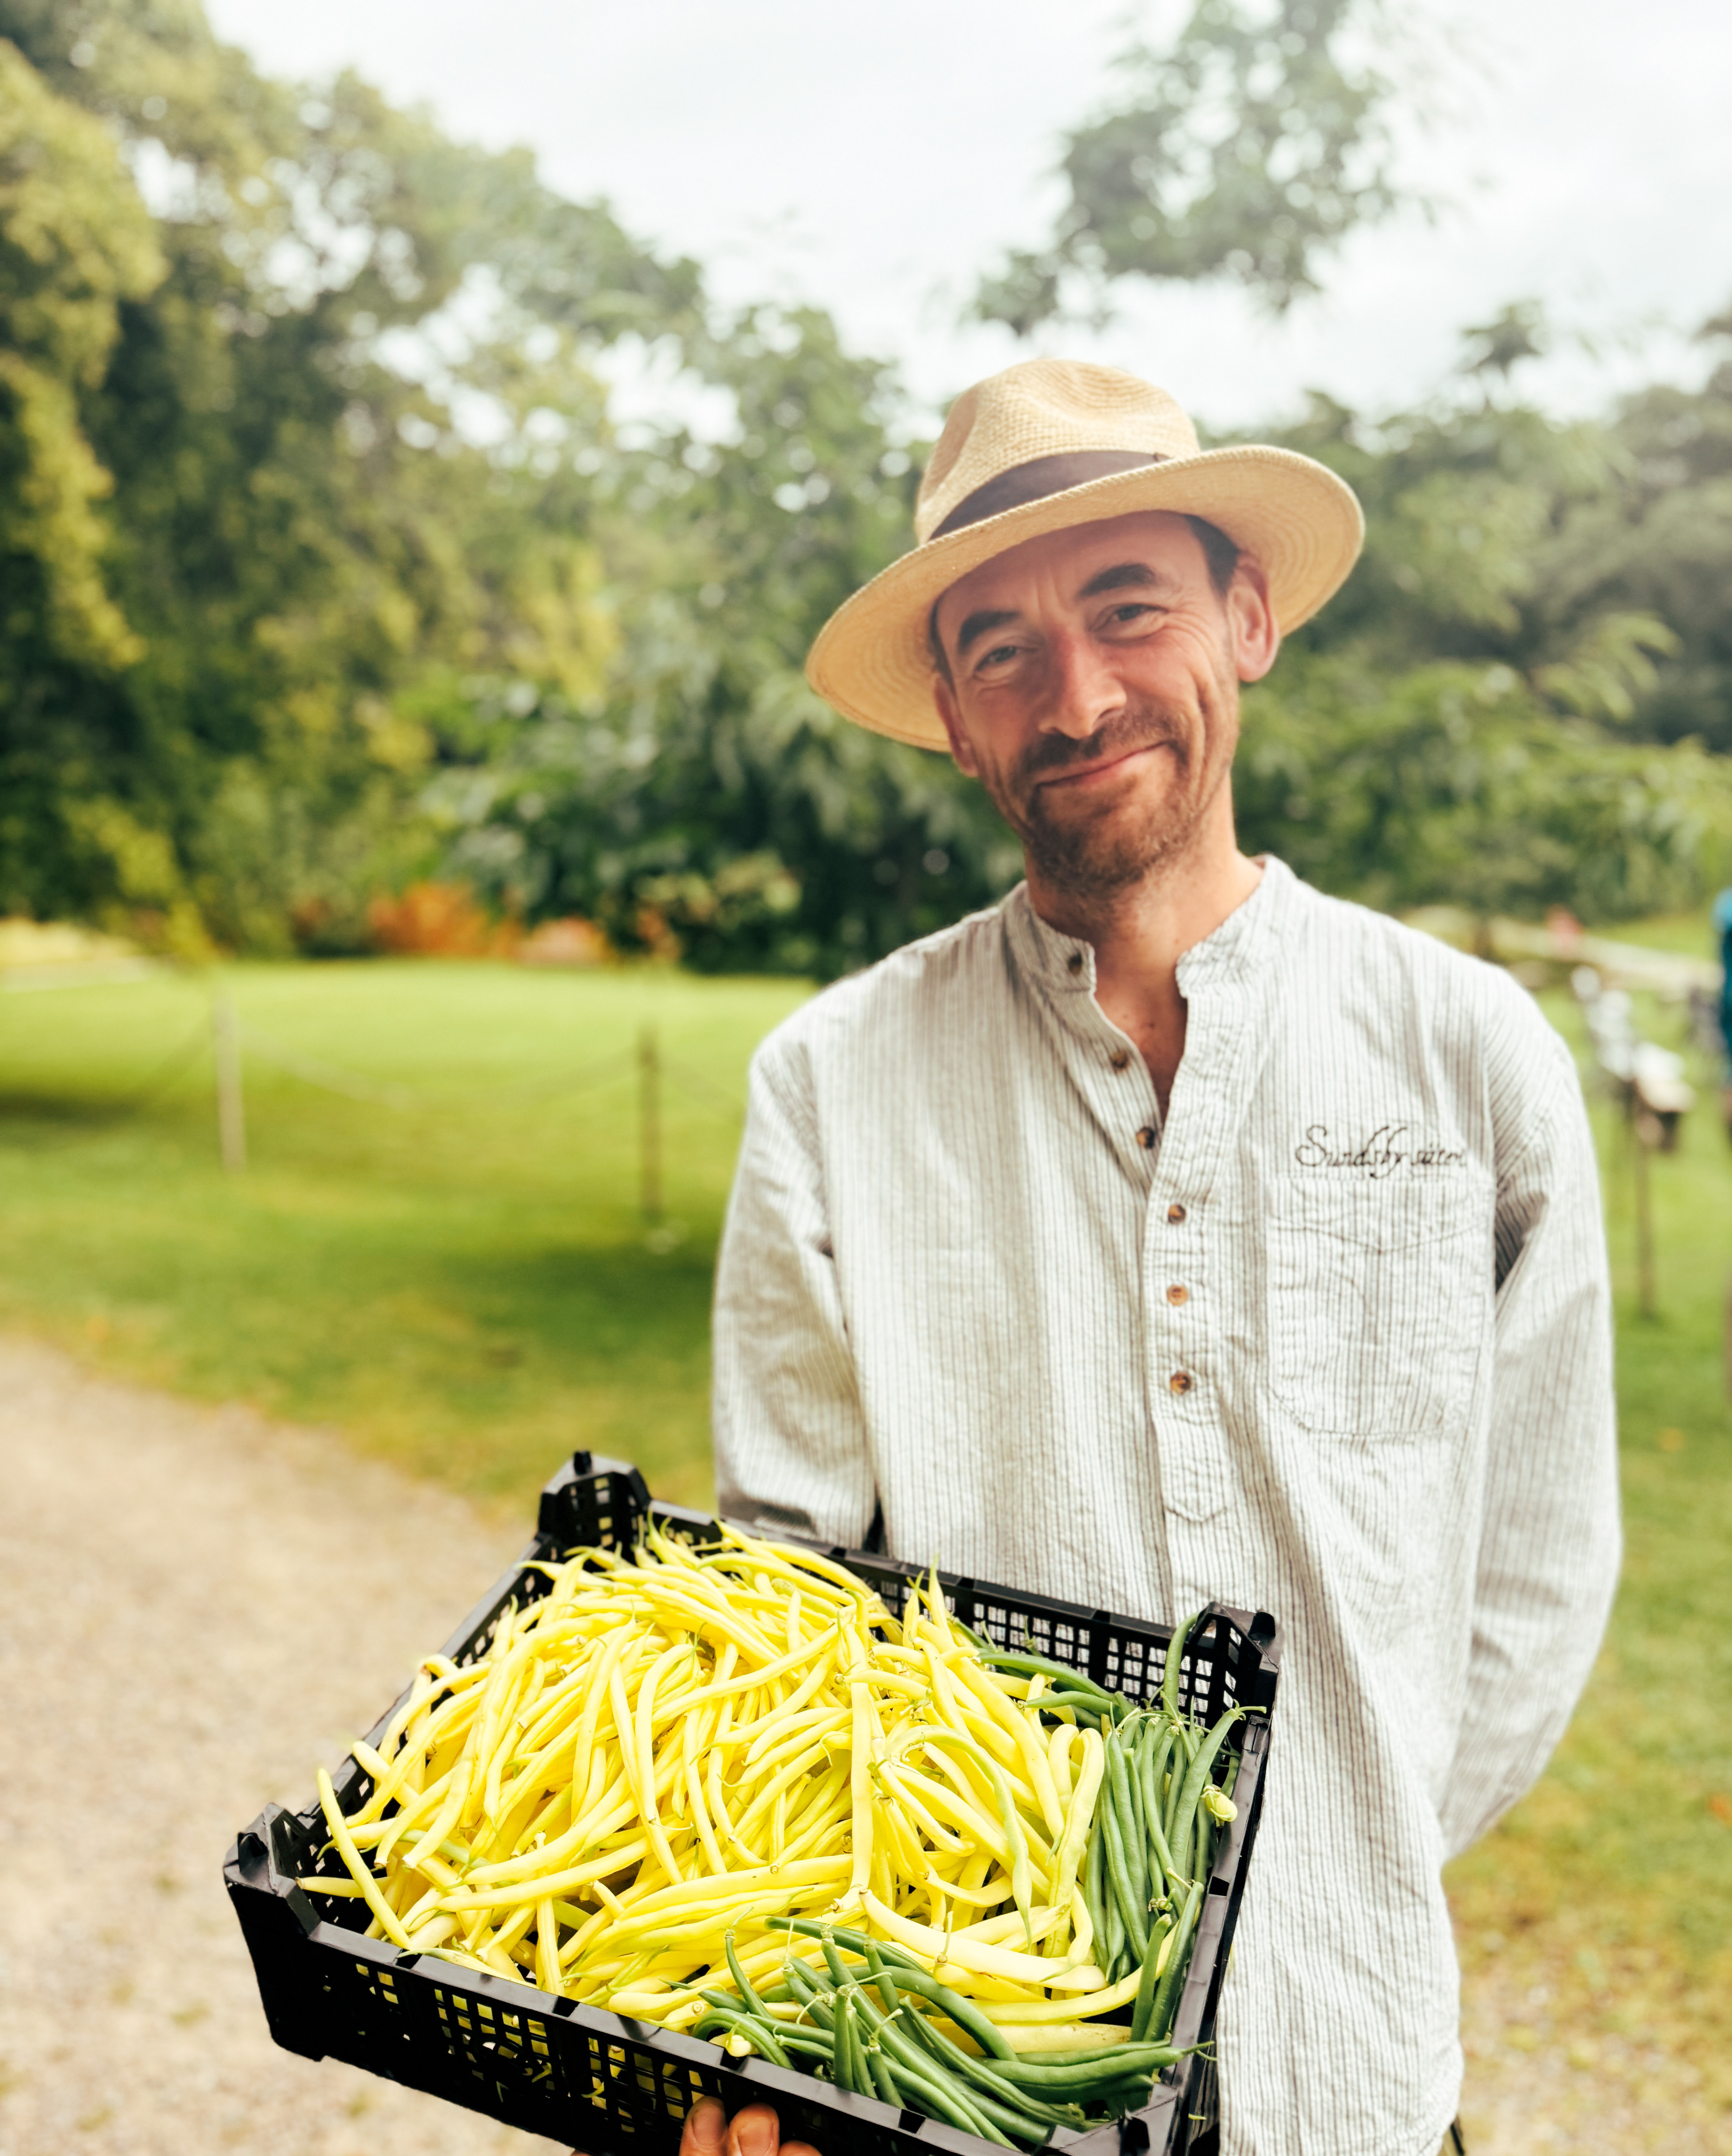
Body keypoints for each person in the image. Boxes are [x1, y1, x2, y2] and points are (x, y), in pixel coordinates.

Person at [698, 359, 1619, 2156]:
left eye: (1132, 609)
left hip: (1356, 2077)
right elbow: (789, 1597)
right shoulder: (833, 1086)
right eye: (1005, 651)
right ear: (954, 718)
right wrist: (785, 2002)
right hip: (970, 2085)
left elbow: (1538, 1566)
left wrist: (1331, 1859)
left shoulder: (1469, 1055)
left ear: (1247, 618)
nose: (1081, 694)